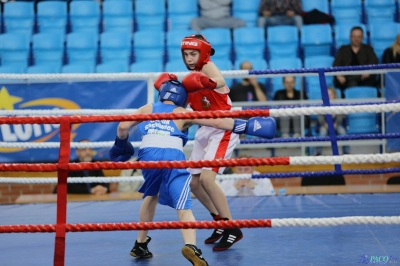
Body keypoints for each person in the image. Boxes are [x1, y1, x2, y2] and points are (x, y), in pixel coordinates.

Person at [109, 77, 275, 265]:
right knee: (183, 206)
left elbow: (123, 126)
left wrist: (121, 144)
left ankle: (140, 244)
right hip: (172, 155)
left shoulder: (148, 107)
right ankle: (191, 245)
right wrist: (248, 126)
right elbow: (218, 123)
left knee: (151, 195)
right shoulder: (182, 112)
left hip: (147, 155)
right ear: (183, 98)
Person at [180, 34, 245, 251]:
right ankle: (218, 221)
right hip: (205, 129)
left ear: (203, 53)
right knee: (194, 182)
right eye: (186, 54)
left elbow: (221, 81)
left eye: (193, 53)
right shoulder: (189, 79)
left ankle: (231, 227)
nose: (189, 58)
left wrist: (206, 80)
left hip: (223, 128)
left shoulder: (208, 67)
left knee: (207, 179)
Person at [333, 26, 379, 94]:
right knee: (351, 82)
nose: (356, 39)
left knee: (354, 82)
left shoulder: (368, 49)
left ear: (363, 38)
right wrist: (338, 75)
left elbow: (374, 61)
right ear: (350, 37)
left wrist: (368, 70)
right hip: (346, 78)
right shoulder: (343, 49)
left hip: (364, 78)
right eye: (354, 36)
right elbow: (336, 64)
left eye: (359, 37)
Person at [316, 87, 349, 155]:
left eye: (330, 94)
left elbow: (340, 116)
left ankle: (346, 151)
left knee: (343, 132)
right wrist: (325, 124)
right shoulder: (321, 104)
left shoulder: (338, 104)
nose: (329, 96)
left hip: (337, 124)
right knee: (322, 133)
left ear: (334, 95)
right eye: (327, 95)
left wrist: (336, 124)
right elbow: (320, 117)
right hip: (325, 124)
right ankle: (318, 152)